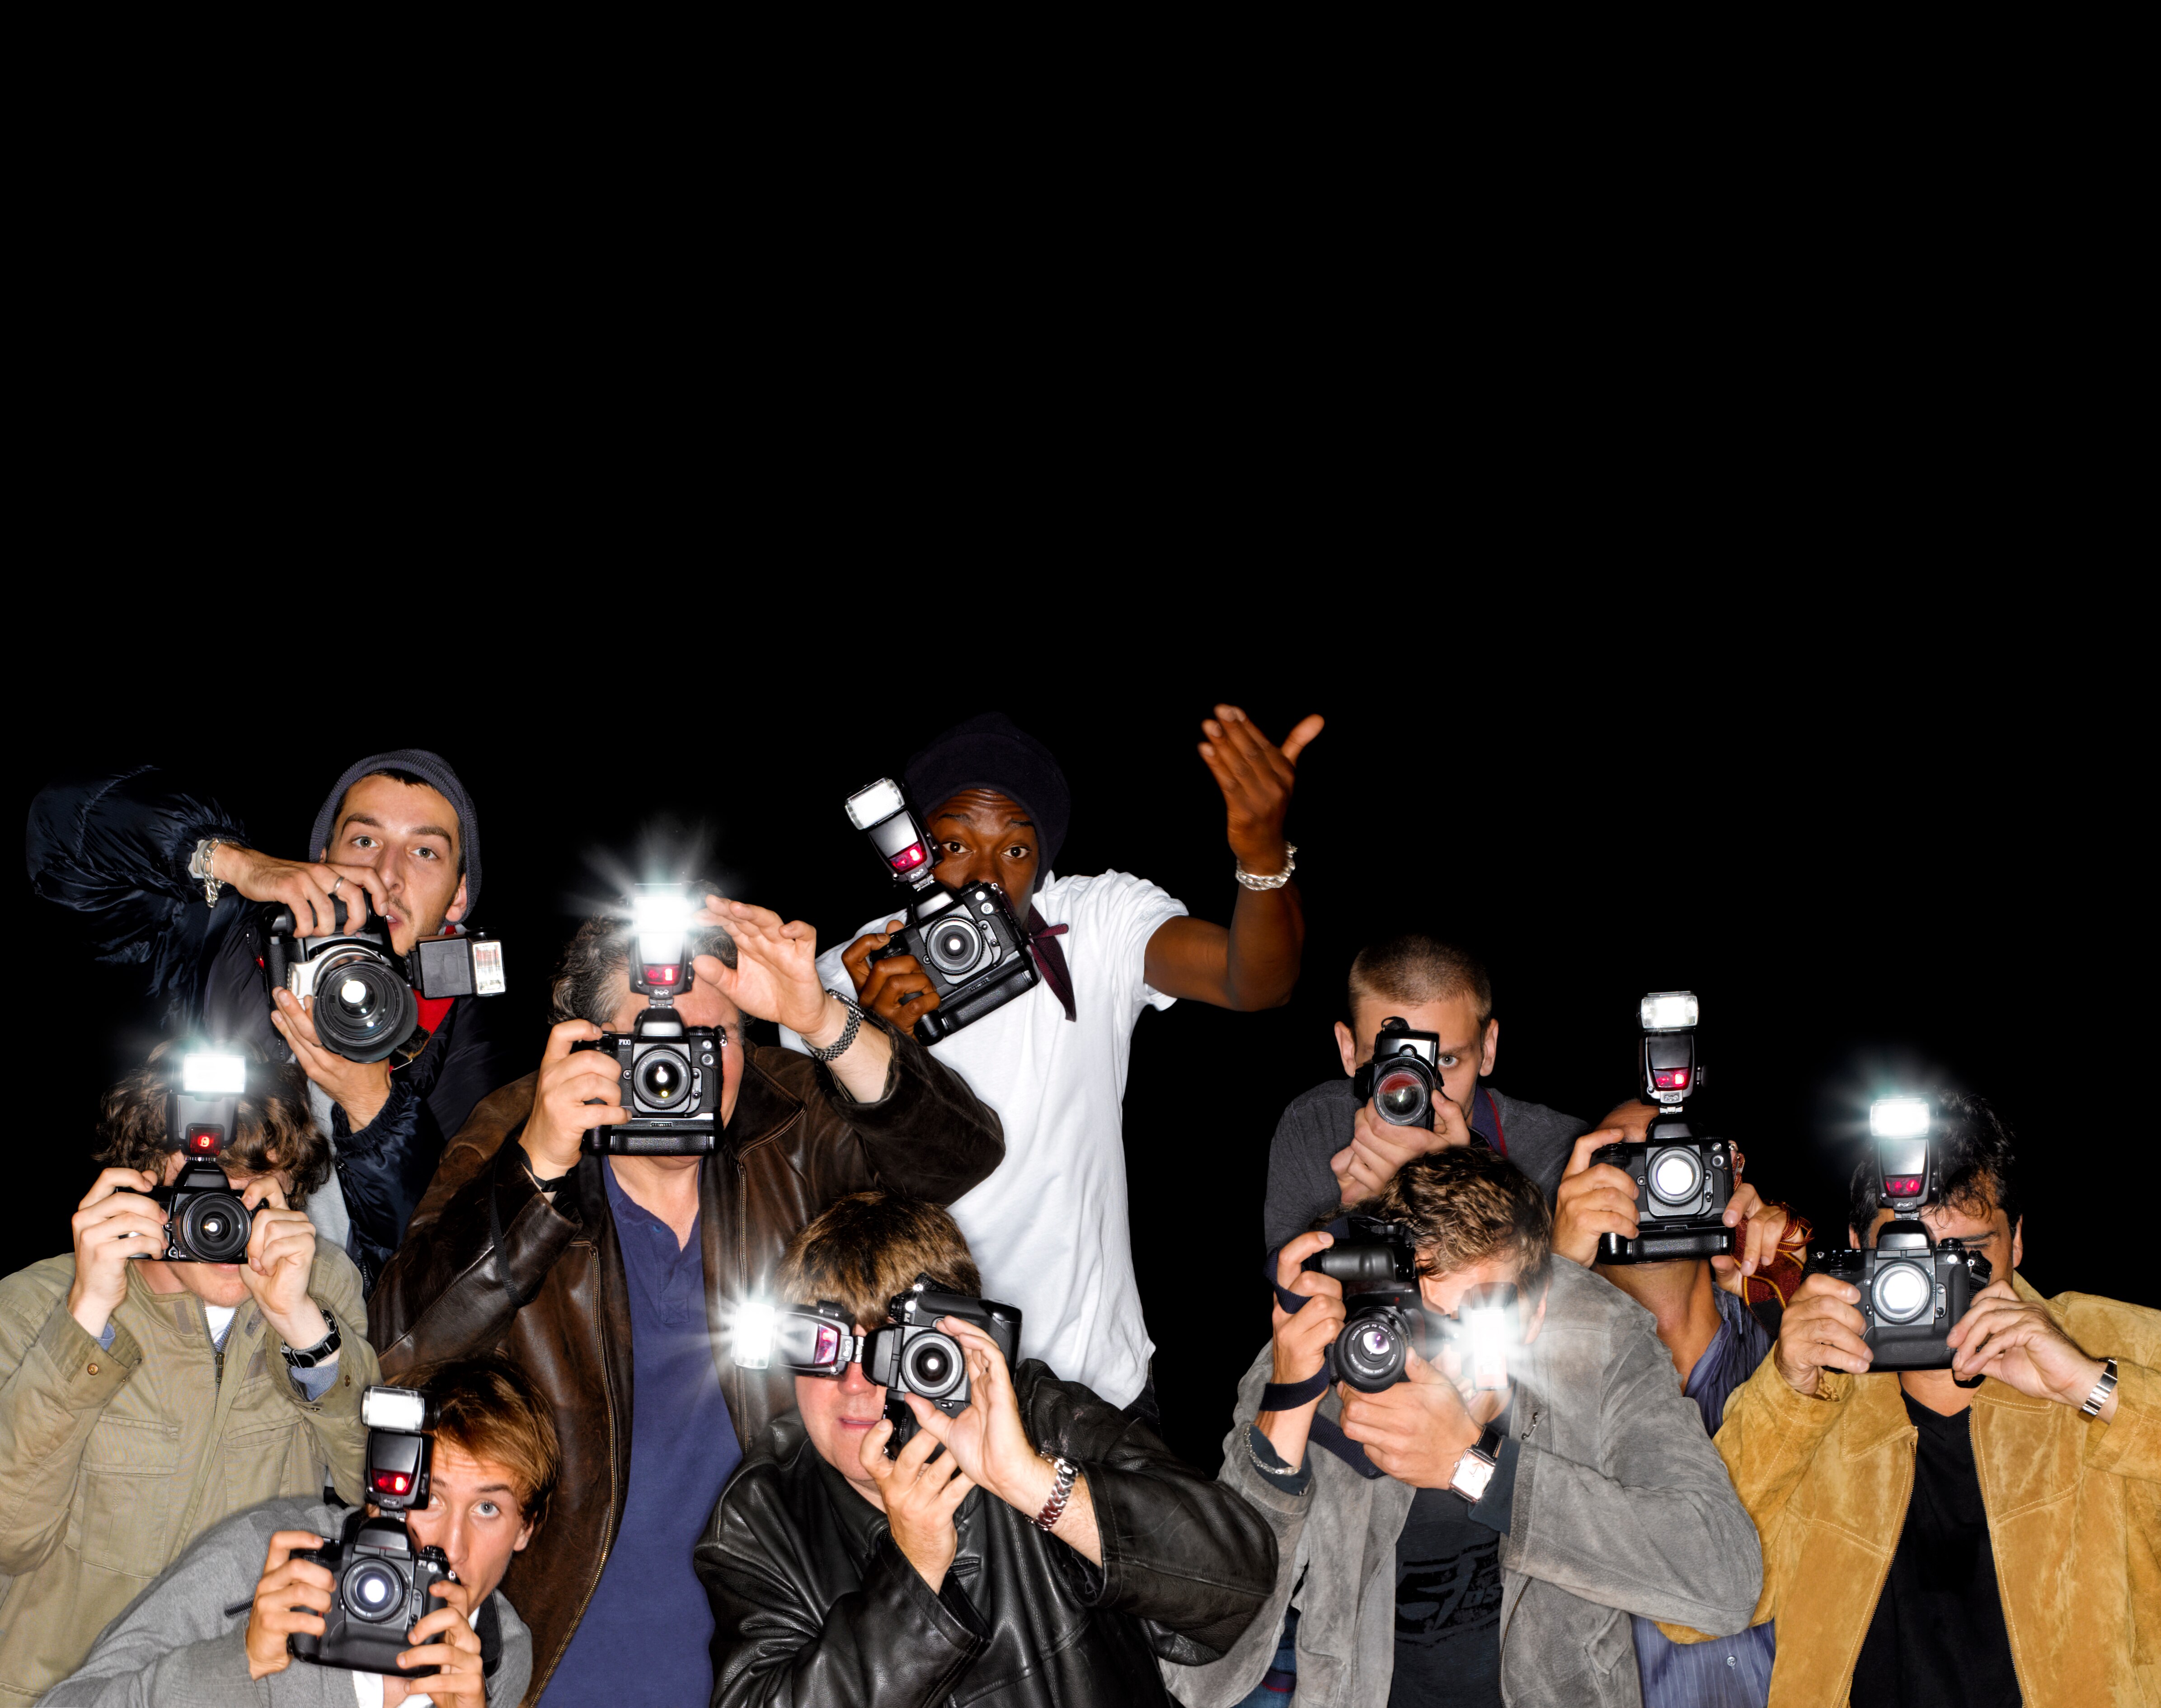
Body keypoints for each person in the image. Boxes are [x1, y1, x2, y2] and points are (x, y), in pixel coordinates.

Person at [367, 896, 1005, 1706]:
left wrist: (822, 1019)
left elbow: (961, 1154)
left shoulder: (790, 1120)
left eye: (713, 1039)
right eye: (644, 1040)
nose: (678, 1068)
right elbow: (397, 1350)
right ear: (584, 1046)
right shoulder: (519, 1131)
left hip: (793, 1636)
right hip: (563, 1645)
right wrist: (535, 1171)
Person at [789, 706, 1323, 1416]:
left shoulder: (1094, 924)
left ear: (1042, 862)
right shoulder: (841, 983)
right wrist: (877, 1047)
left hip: (1094, 1386)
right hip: (920, 1386)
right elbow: (820, 1198)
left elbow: (1254, 982)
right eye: (953, 846)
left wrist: (1261, 856)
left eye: (1013, 851)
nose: (981, 880)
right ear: (909, 852)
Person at [1170, 1145, 1763, 1707]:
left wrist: (1475, 1467)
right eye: (1424, 1318)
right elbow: (1200, 1683)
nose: (1443, 1360)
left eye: (1478, 1318)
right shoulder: (1331, 1352)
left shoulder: (1599, 1342)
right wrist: (1285, 1419)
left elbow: (1724, 1581)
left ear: (1536, 1313)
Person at [1660, 1093, 2161, 1708]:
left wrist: (2092, 1387)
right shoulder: (1810, 1402)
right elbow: (1688, 1607)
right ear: (1856, 1245)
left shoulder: (2113, 1344)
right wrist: (1786, 1393)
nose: (1936, 1285)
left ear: (2018, 1241)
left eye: (1967, 1256)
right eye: (1908, 1255)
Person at [696, 1190, 1279, 1706]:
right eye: (822, 1345)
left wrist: (1031, 1481)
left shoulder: (1036, 1417)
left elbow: (1238, 1581)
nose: (854, 1383)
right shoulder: (763, 1515)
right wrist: (914, 1570)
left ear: (950, 1348)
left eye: (887, 1351)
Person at [27, 751, 513, 1286]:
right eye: (365, 841)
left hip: (336, 1342)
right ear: (322, 856)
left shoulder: (468, 1030)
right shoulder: (228, 939)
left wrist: (375, 1107)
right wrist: (229, 862)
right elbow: (64, 826)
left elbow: (457, 1265)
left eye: (424, 851)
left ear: (459, 896)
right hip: (185, 1307)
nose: (385, 875)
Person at [0, 1043, 380, 1704]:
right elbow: (10, 1541)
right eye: (205, 1190)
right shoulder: (37, 1306)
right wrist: (86, 1317)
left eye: (257, 1187)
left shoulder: (321, 1290)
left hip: (234, 1685)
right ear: (143, 1182)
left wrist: (303, 1332)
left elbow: (372, 1494)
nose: (226, 1221)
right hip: (57, 1689)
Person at [42, 1354, 555, 1707]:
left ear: (525, 1530)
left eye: (488, 1509)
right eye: (432, 1498)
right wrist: (241, 1659)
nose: (450, 1543)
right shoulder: (269, 1560)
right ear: (385, 1489)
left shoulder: (497, 1647)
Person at [1548, 1099, 1813, 1707]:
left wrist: (1789, 1278)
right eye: (1622, 1159)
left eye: (1675, 1156)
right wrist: (1555, 1273)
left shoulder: (1793, 1348)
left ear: (1723, 1177)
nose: (1654, 1181)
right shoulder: (1545, 1375)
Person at [1262, 934, 1591, 1250]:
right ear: (1348, 1051)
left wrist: (1447, 1187)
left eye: (1446, 1060)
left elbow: (1547, 1303)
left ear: (1487, 1049)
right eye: (1390, 1064)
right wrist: (1360, 1213)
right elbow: (1290, 1292)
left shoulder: (1558, 1151)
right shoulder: (1314, 1125)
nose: (1414, 1091)